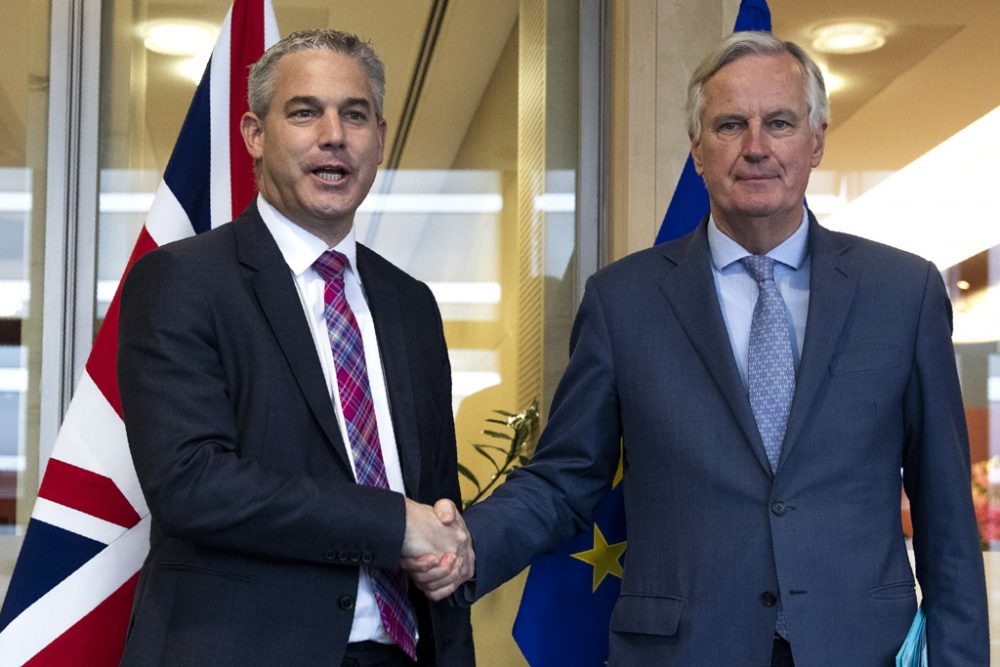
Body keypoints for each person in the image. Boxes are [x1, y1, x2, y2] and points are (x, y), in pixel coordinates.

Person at [406, 31, 989, 666]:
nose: (757, 147)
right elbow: (567, 477)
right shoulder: (622, 302)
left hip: (860, 647)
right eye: (731, 125)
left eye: (781, 123)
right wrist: (465, 542)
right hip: (682, 650)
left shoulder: (902, 294)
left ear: (817, 140)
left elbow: (947, 515)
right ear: (697, 147)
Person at [117, 29, 474, 667]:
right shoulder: (182, 279)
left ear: (381, 139)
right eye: (305, 111)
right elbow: (192, 482)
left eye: (355, 114)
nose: (333, 135)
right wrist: (392, 523)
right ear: (255, 134)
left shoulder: (411, 304)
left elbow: (434, 500)